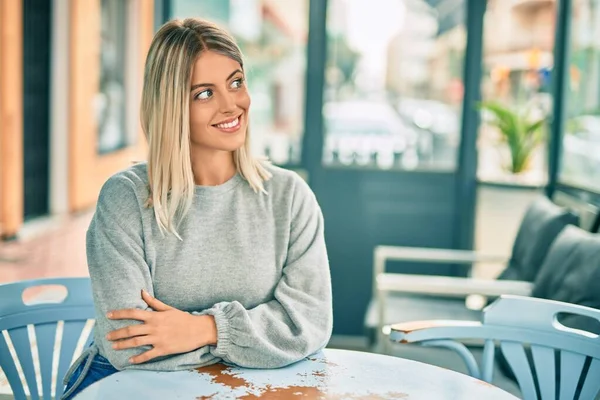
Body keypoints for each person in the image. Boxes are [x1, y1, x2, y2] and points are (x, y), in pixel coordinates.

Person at [61, 18, 332, 399]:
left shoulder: (290, 197)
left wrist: (205, 329)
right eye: (204, 93)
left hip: (247, 389)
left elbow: (309, 323)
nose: (231, 105)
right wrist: (261, 342)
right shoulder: (125, 199)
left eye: (236, 82)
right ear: (171, 105)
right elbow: (131, 347)